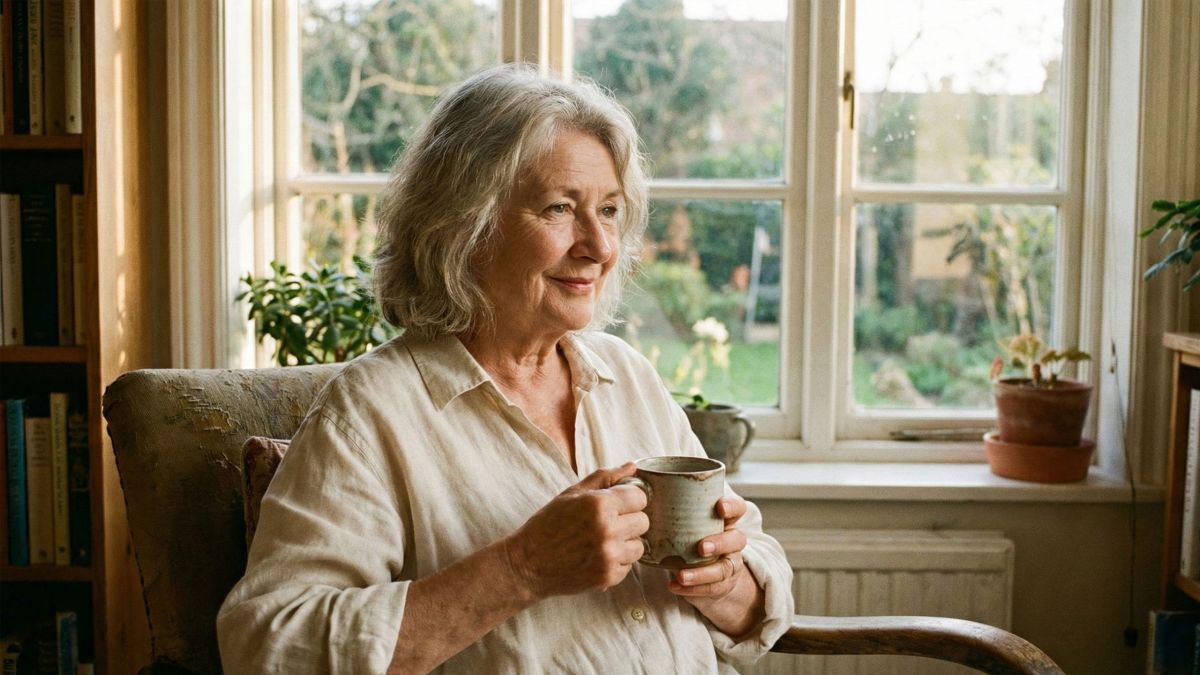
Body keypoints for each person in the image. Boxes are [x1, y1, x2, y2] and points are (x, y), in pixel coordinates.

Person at [216, 63, 793, 674]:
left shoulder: (627, 376)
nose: (598, 246)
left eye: (610, 210)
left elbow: (759, 570)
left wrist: (723, 578)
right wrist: (522, 569)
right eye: (559, 208)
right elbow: (268, 645)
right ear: (465, 227)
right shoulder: (372, 412)